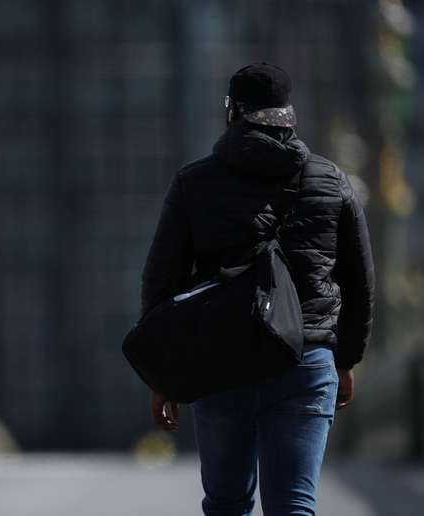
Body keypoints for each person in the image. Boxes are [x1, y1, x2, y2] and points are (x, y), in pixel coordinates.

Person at [141, 63, 374, 515]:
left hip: (220, 362)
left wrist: (161, 373)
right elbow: (359, 282)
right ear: (289, 115)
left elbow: (161, 280)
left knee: (227, 506)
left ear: (233, 112)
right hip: (306, 363)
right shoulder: (331, 181)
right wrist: (345, 359)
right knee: (294, 507)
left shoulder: (194, 184)